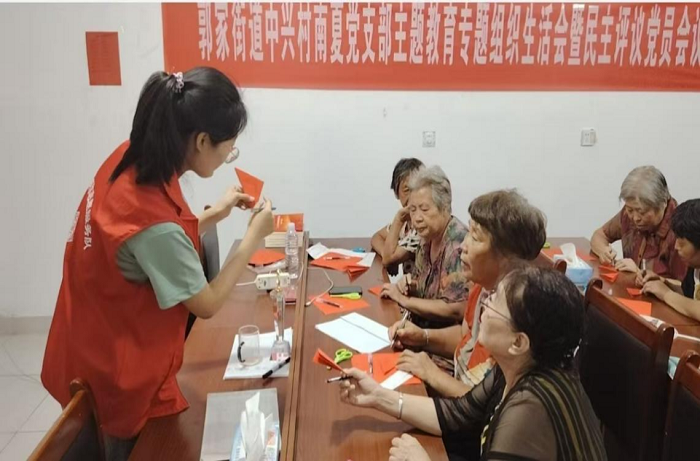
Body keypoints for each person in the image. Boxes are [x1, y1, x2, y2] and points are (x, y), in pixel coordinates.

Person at [41, 68, 274, 461]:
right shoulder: (154, 224)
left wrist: (215, 214)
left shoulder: (131, 157)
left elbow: (152, 244)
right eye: (228, 149)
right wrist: (253, 237)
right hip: (117, 376)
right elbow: (206, 302)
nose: (226, 159)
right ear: (202, 141)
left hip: (86, 341)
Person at [339, 268, 606, 461]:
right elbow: (458, 414)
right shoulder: (518, 365)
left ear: (518, 342)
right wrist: (378, 396)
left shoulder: (530, 407)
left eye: (494, 305)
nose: (484, 306)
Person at [388, 190, 547, 404]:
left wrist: (432, 374)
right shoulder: (481, 286)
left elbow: (487, 408)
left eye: (475, 237)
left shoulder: (510, 316)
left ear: (505, 256)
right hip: (458, 391)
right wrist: (423, 337)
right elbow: (465, 338)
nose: (463, 245)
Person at [380, 166, 468, 332]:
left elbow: (456, 308)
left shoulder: (458, 244)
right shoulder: (425, 238)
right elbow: (424, 289)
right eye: (412, 210)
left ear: (445, 207)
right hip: (418, 329)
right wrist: (407, 286)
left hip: (443, 339)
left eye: (424, 209)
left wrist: (405, 300)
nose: (417, 218)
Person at [590, 165, 686, 280]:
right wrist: (603, 251)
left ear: (663, 203)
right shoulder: (629, 213)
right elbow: (600, 235)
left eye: (642, 212)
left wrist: (640, 273)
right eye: (630, 210)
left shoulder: (680, 230)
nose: (635, 218)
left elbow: (686, 287)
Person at [638, 199, 700, 321]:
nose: (676, 247)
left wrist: (666, 294)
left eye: (682, 243)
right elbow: (688, 294)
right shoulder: (694, 266)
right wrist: (663, 282)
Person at [371, 158, 424, 274]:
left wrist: (399, 219)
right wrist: (386, 252)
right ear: (396, 193)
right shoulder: (406, 223)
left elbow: (388, 260)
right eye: (407, 190)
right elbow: (376, 237)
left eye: (417, 188)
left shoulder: (422, 224)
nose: (413, 196)